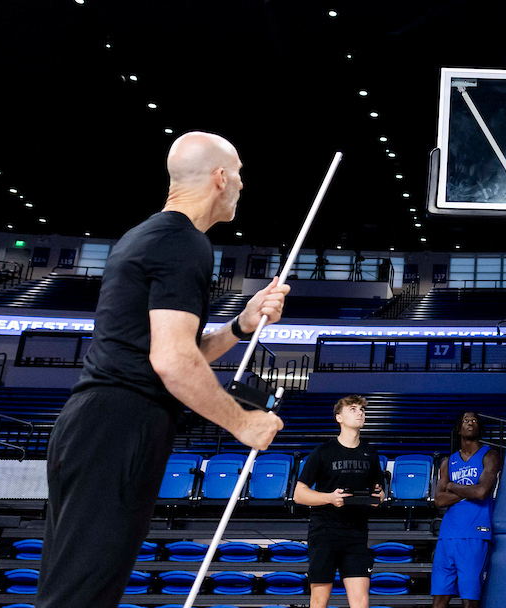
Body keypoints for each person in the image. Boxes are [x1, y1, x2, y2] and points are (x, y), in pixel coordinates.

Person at [36, 131, 289, 608]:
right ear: (219, 178)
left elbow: (171, 350)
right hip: (120, 425)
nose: (240, 184)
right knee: (82, 593)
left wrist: (240, 325)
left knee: (72, 584)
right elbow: (171, 362)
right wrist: (243, 422)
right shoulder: (185, 244)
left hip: (96, 422)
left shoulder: (148, 235)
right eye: (237, 174)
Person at [294, 395, 386, 608]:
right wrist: (329, 498)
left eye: (362, 409)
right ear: (339, 418)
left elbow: (378, 494)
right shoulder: (323, 451)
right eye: (353, 409)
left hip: (356, 533)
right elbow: (299, 494)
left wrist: (377, 497)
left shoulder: (370, 453)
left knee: (361, 602)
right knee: (319, 601)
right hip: (325, 532)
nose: (360, 413)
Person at [431, 411, 502, 608]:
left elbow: (482, 492)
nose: (470, 423)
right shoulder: (448, 462)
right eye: (465, 420)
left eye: (474, 420)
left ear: (480, 427)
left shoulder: (490, 456)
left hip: (475, 534)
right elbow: (439, 499)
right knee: (439, 600)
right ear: (458, 428)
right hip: (447, 536)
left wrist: (453, 486)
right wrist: (468, 491)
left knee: (470, 601)